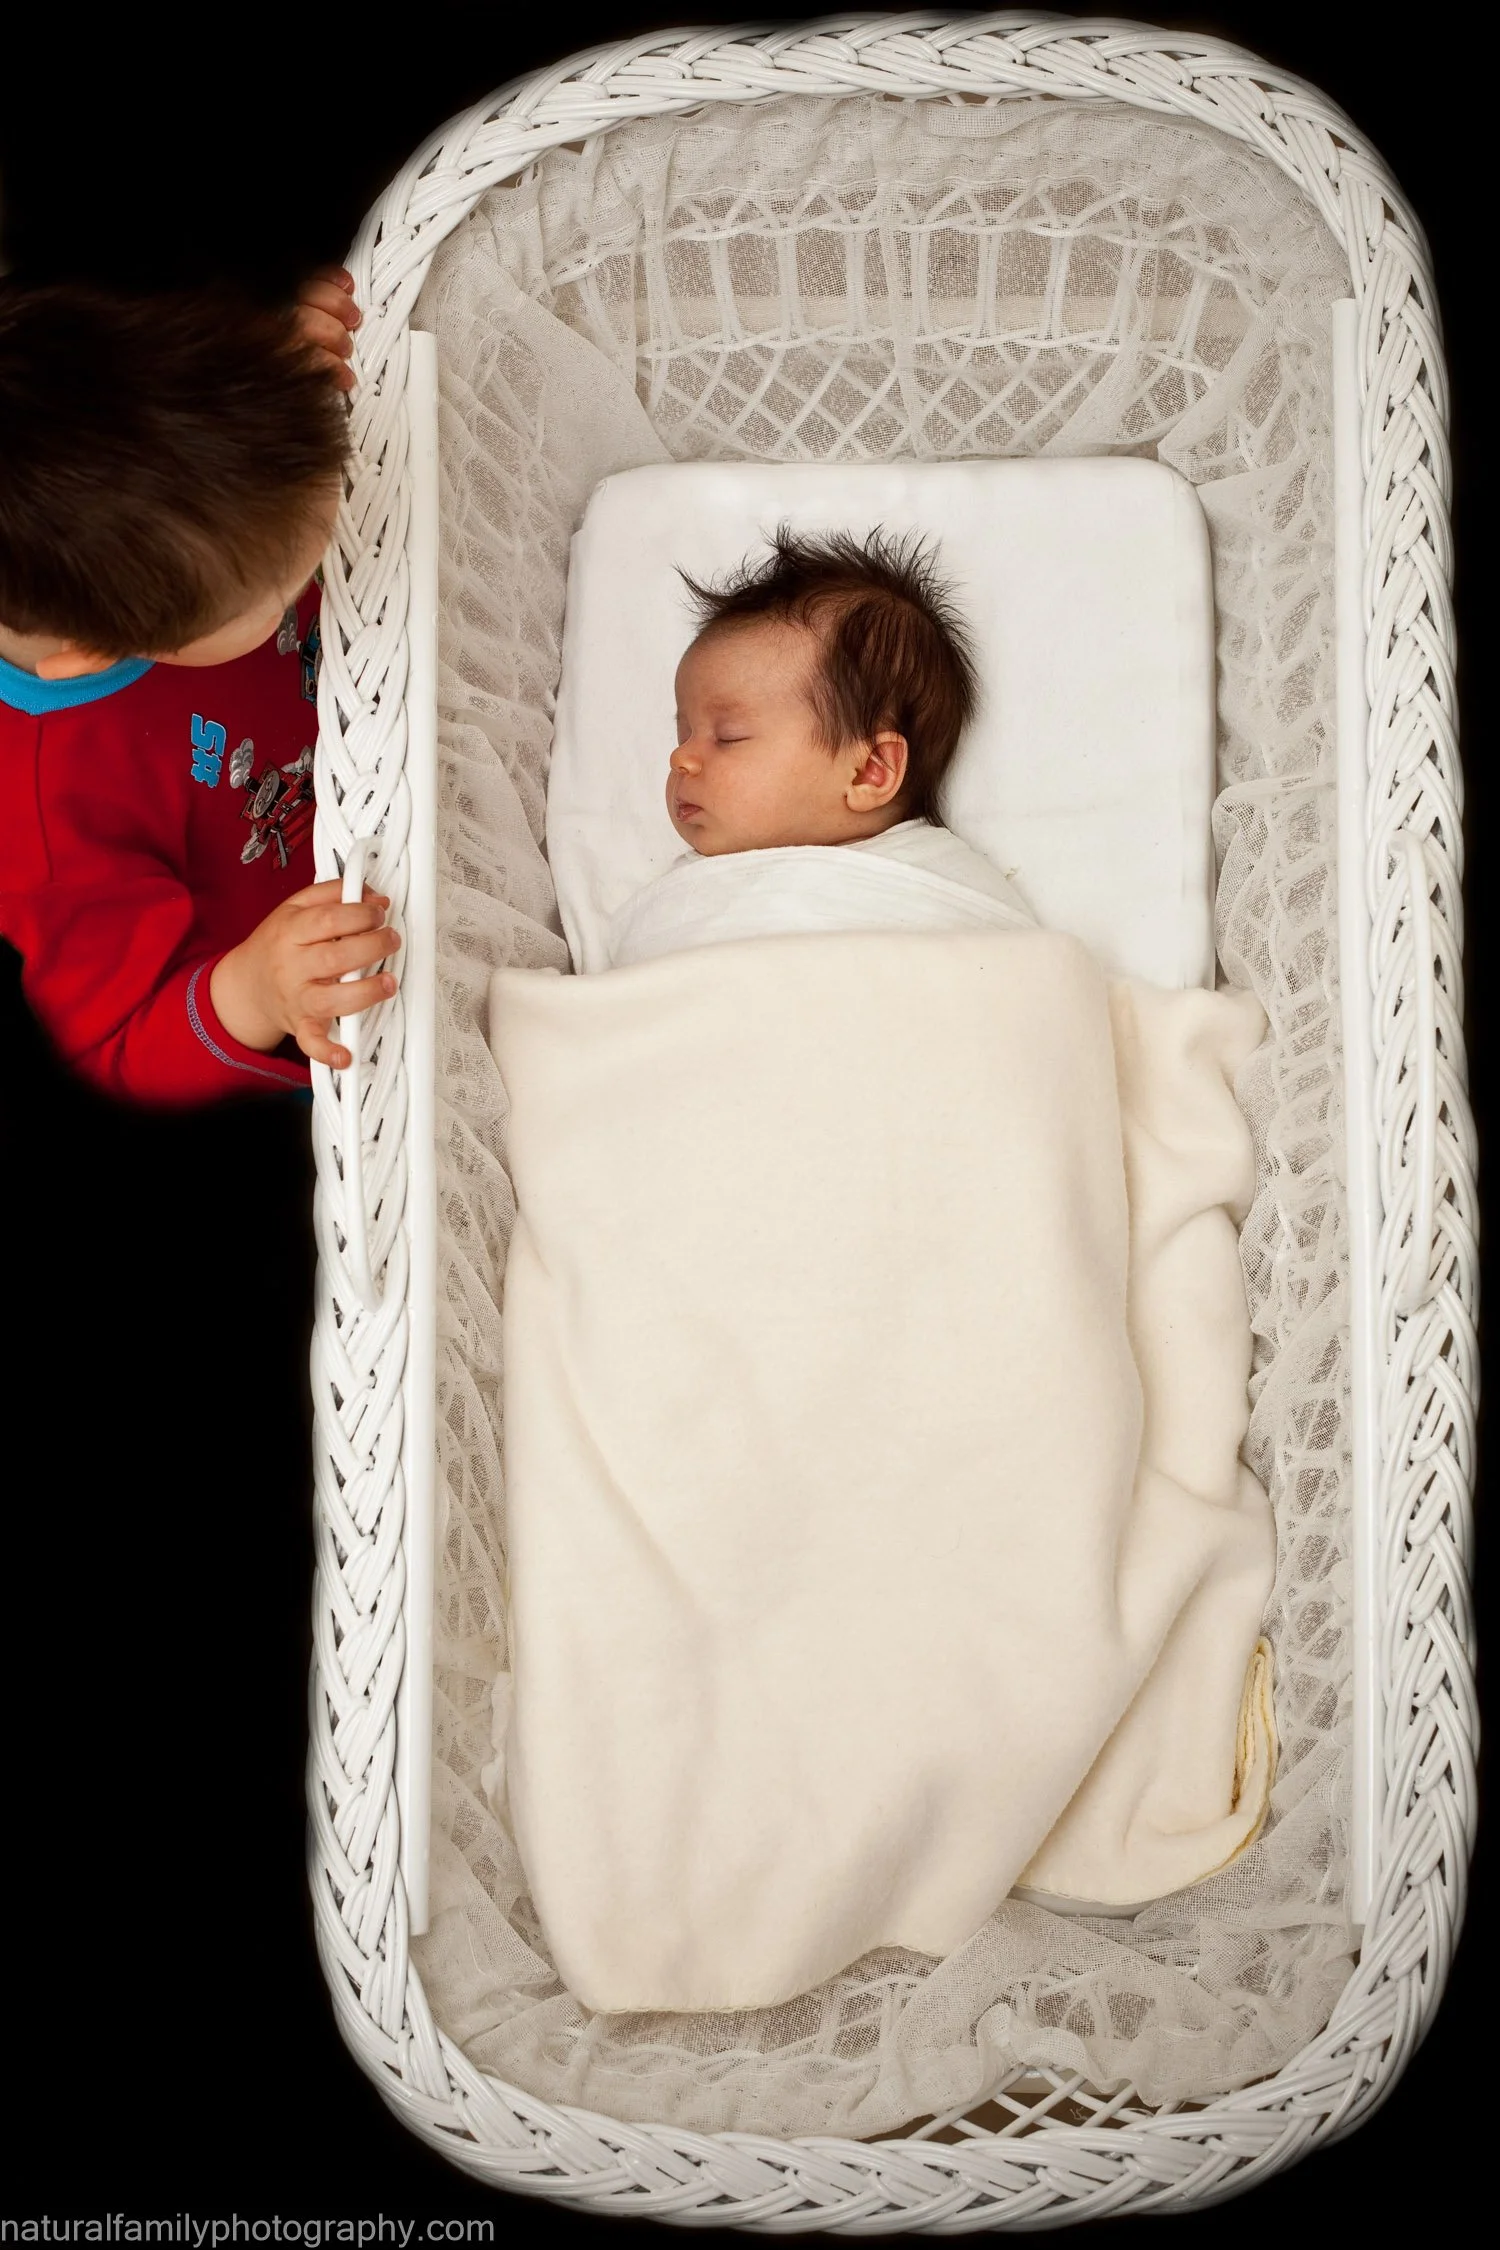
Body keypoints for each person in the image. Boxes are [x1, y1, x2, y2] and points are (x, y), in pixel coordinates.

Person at [0, 271, 399, 1102]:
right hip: (340, 969)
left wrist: (280, 375)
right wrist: (254, 990)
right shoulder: (49, 817)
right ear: (98, 650)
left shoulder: (162, 433)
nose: (307, 576)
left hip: (384, 744)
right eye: (280, 588)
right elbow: (115, 1044)